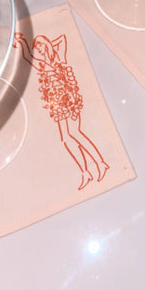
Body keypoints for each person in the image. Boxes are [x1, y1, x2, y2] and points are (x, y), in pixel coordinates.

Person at [13, 32, 109, 190]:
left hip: (69, 102)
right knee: (66, 138)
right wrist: (23, 42)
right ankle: (85, 172)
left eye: (41, 46)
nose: (39, 49)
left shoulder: (59, 59)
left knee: (75, 133)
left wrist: (48, 45)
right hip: (57, 105)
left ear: (47, 46)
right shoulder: (42, 65)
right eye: (37, 47)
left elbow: (63, 39)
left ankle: (101, 163)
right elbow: (28, 57)